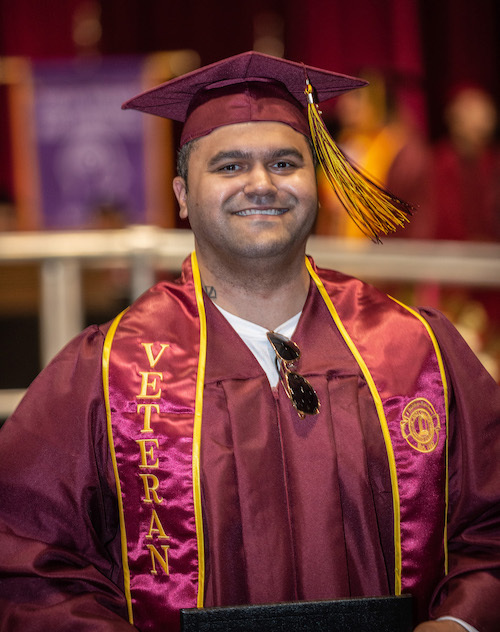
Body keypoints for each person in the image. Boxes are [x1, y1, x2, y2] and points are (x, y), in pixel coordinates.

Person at [0, 51, 499, 632]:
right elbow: (28, 558)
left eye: (285, 162)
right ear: (183, 195)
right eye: (230, 166)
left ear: (318, 182)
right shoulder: (108, 370)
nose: (262, 183)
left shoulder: (416, 351)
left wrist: (461, 624)